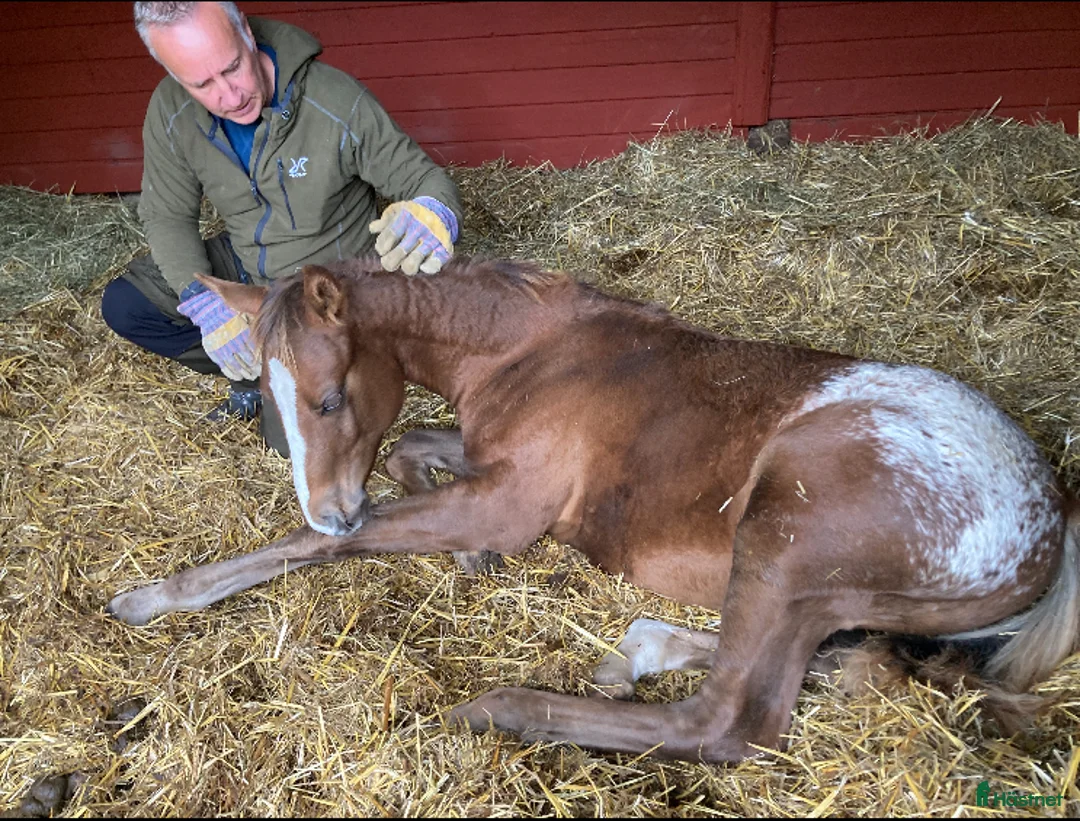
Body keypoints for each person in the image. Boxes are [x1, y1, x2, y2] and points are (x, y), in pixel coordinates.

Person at [102, 1, 463, 457]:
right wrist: (205, 308)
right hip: (251, 264)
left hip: (328, 283)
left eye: (232, 68)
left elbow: (423, 179)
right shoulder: (171, 114)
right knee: (127, 305)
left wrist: (431, 212)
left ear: (248, 36)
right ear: (176, 78)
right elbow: (167, 216)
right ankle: (260, 373)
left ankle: (298, 370)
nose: (230, 96)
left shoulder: (332, 99)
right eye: (202, 84)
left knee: (294, 448)